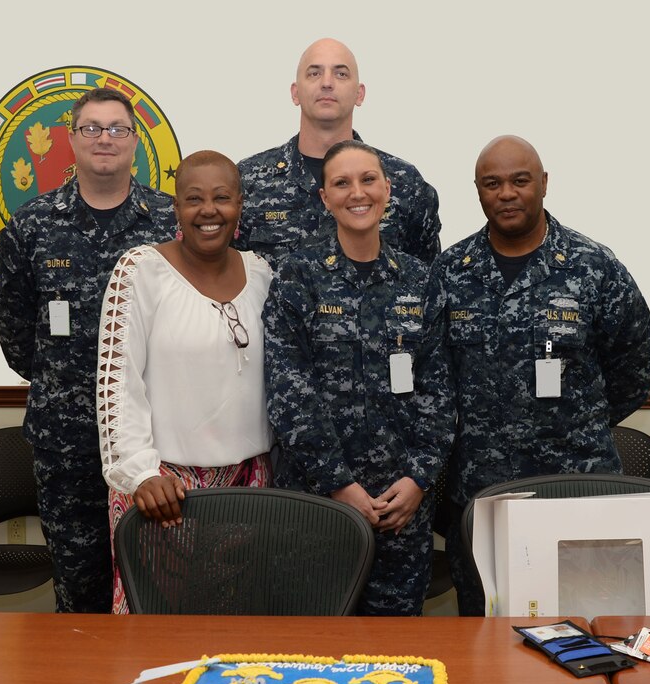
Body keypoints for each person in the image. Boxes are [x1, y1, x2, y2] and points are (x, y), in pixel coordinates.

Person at [432, 134, 650, 615]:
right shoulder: (451, 271)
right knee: (484, 627)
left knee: (585, 625)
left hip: (575, 485)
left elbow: (635, 362)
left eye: (520, 181)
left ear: (544, 184)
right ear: (477, 190)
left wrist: (577, 422)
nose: (506, 194)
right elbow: (435, 375)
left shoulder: (593, 266)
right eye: (492, 183)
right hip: (483, 492)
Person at [0, 88, 176, 613]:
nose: (104, 139)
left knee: (159, 586)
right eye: (91, 128)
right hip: (67, 442)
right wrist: (68, 386)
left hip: (154, 442)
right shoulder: (31, 226)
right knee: (79, 591)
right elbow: (16, 337)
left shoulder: (168, 223)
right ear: (70, 140)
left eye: (118, 128)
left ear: (135, 142)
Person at [264, 140, 454, 616]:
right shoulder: (296, 276)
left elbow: (440, 390)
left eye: (368, 179)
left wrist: (419, 479)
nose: (357, 193)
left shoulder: (420, 280)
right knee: (311, 653)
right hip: (317, 504)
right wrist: (338, 484)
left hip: (401, 509)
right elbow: (290, 392)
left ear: (387, 189)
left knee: (393, 659)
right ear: (324, 198)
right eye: (341, 183)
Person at [97, 150, 274, 614]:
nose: (208, 210)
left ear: (240, 205)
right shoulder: (140, 271)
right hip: (163, 494)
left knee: (237, 640)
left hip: (247, 490)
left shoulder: (262, 274)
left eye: (222, 197)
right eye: (193, 198)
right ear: (175, 208)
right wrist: (141, 474)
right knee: (157, 642)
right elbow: (119, 380)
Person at [236, 38, 441, 270]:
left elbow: (427, 283)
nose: (326, 83)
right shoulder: (248, 180)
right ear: (295, 93)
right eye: (314, 73)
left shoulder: (405, 182)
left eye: (341, 74)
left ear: (359, 94)